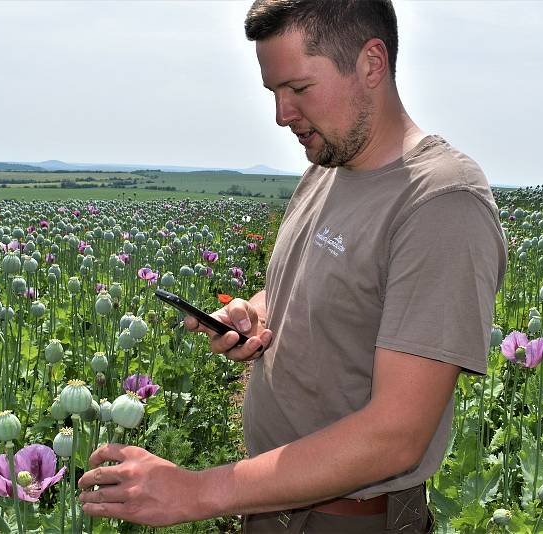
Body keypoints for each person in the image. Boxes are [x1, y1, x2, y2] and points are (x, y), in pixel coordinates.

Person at [78, 1, 507, 532]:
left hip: (347, 519)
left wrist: (199, 489)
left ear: (372, 63)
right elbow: (320, 288)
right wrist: (255, 314)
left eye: (299, 89)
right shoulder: (329, 166)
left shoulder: (441, 203)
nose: (282, 114)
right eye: (274, 92)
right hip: (274, 500)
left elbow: (396, 436)